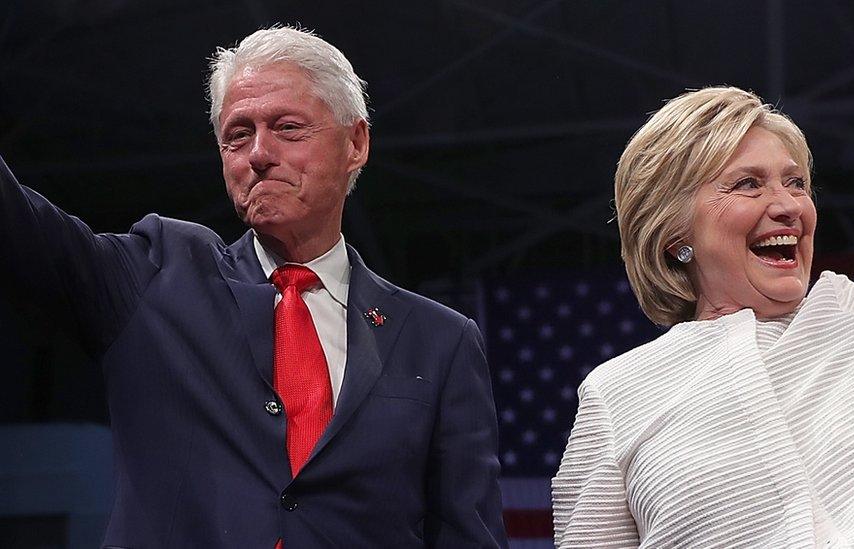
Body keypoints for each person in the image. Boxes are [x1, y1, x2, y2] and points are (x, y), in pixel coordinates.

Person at [0, 27, 507, 547]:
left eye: (288, 128)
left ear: (356, 144)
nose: (260, 153)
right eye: (238, 135)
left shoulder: (439, 341)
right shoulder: (153, 276)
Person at [551, 86, 854, 547]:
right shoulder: (617, 393)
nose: (789, 206)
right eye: (748, 184)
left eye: (795, 183)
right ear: (674, 235)